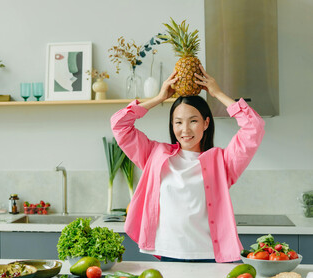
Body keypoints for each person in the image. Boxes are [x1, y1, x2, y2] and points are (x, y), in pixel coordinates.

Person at [110, 65, 265, 263]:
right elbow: (119, 124)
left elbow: (254, 126)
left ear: (206, 123)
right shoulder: (155, 155)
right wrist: (159, 98)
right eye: (178, 122)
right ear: (172, 124)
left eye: (193, 121)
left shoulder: (222, 162)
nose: (185, 129)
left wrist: (217, 94)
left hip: (208, 256)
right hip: (167, 252)